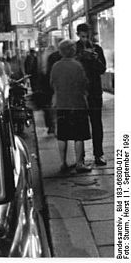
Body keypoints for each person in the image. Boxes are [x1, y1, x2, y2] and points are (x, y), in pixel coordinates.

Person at [50, 39, 92, 174]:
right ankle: (80, 164)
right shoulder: (78, 66)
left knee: (63, 135)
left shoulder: (56, 66)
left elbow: (52, 83)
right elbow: (84, 83)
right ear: (73, 50)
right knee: (79, 135)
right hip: (78, 103)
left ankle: (63, 163)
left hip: (61, 104)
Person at [75, 23, 107, 166]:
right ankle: (80, 158)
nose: (85, 39)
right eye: (82, 36)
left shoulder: (97, 49)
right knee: (80, 125)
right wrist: (80, 57)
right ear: (78, 35)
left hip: (94, 92)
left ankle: (98, 154)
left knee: (96, 123)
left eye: (87, 36)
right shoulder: (74, 49)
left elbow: (102, 69)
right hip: (80, 92)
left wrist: (95, 58)